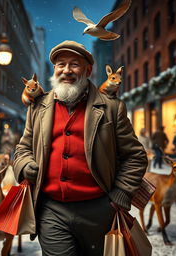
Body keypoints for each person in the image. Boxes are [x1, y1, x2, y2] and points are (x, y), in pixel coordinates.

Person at [13, 40, 147, 256]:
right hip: (51, 210)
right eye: (60, 64)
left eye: (74, 64)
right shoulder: (38, 107)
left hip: (99, 211)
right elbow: (22, 149)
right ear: (54, 70)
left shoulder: (112, 108)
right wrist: (25, 165)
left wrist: (120, 194)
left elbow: (135, 156)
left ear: (88, 70)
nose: (66, 70)